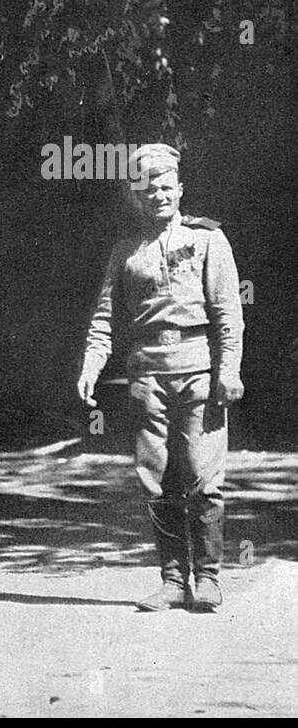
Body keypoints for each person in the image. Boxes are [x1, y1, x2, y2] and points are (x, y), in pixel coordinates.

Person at [77, 144, 244, 613]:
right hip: (147, 374)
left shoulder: (209, 240)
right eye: (147, 189)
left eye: (166, 186)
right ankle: (173, 581)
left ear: (180, 189)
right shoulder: (127, 251)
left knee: (203, 477)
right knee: (155, 479)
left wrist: (228, 370)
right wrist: (92, 366)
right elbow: (105, 318)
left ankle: (208, 579)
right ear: (136, 196)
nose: (158, 195)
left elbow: (228, 314)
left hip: (198, 371)